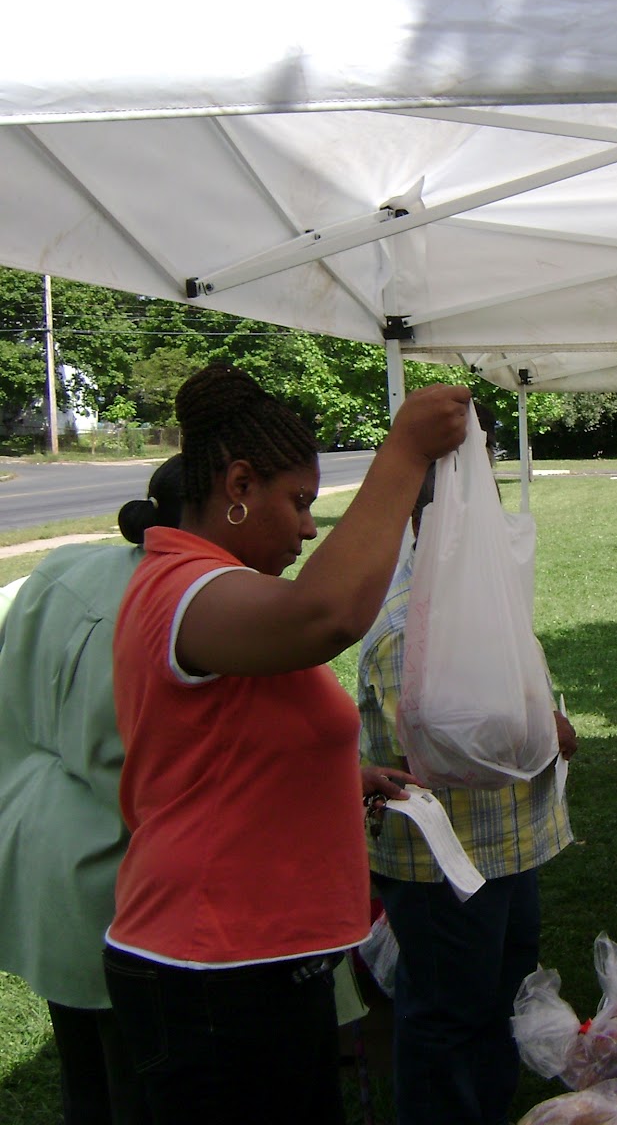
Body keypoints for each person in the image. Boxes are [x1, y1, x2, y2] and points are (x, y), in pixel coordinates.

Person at [103, 364, 468, 1124]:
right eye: (299, 502)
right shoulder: (184, 588)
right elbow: (323, 617)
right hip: (209, 969)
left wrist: (342, 779)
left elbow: (220, 749)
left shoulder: (212, 586)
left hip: (252, 963)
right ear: (238, 484)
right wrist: (402, 453)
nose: (309, 527)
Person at [359, 403, 579, 1125]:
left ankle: (486, 1105)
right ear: (427, 527)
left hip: (509, 844)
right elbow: (449, 747)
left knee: (499, 996)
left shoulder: (477, 602)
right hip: (446, 861)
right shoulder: (406, 626)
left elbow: (521, 703)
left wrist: (545, 724)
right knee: (450, 1014)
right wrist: (539, 735)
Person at [0, 459, 184, 1125]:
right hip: (113, 868)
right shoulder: (175, 607)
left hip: (40, 843)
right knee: (137, 1074)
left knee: (85, 1070)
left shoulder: (64, 567)